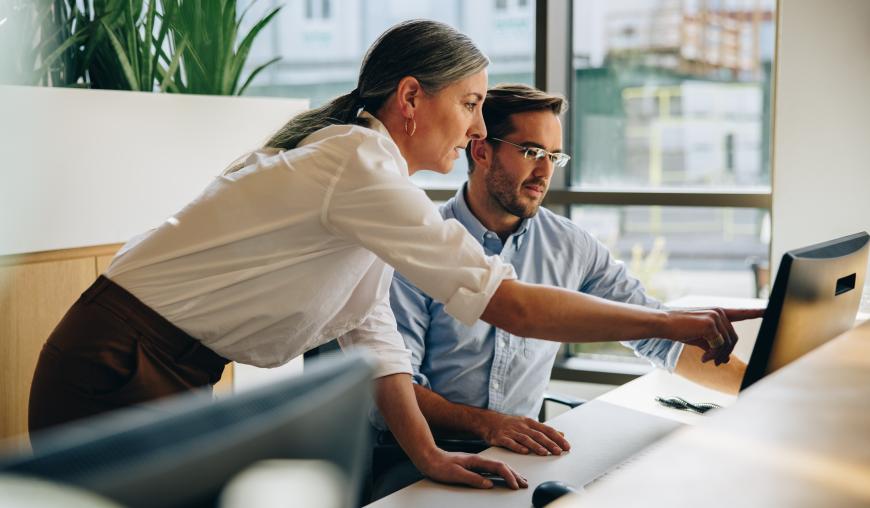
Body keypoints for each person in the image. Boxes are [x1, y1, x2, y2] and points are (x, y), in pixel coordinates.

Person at [28, 20, 759, 491]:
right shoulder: (358, 167)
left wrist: (430, 457)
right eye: (471, 103)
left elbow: (372, 337)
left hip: (164, 363)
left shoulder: (372, 184)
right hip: (118, 360)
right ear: (412, 98)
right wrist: (673, 325)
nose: (477, 126)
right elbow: (510, 305)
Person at [372, 86, 749, 490]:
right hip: (421, 456)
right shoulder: (420, 244)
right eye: (532, 152)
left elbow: (660, 337)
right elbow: (396, 385)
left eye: (554, 157)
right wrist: (487, 425)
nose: (545, 173)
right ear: (481, 151)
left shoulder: (570, 245)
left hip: (520, 457)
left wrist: (761, 390)